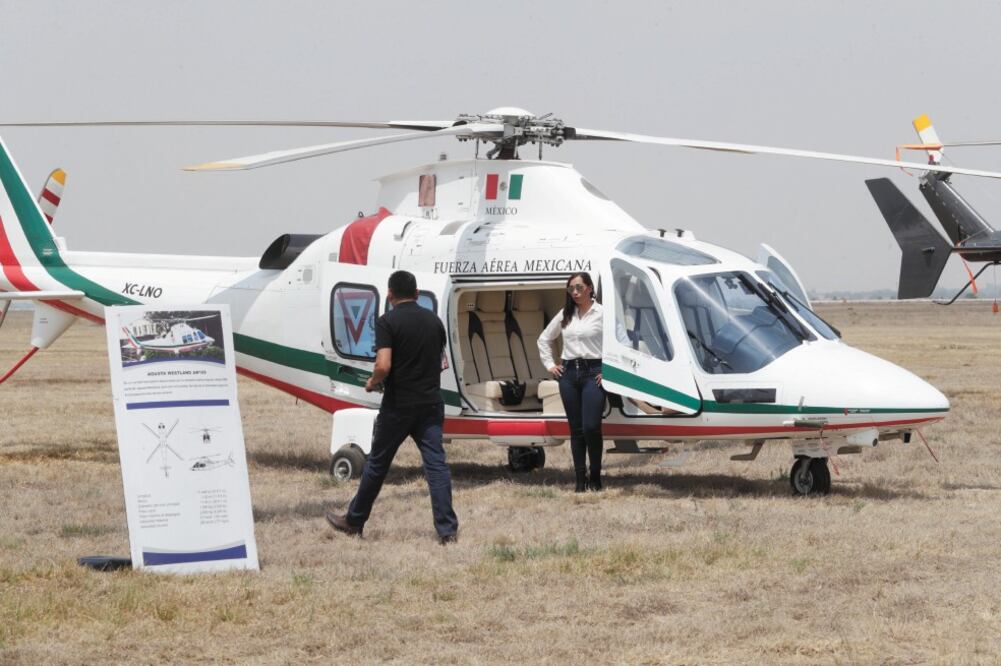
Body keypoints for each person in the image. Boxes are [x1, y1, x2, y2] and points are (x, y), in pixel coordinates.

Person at [326, 270, 459, 544]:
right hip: (431, 404)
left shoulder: (387, 322)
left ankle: (354, 520)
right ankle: (447, 531)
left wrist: (373, 382)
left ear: (389, 294)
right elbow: (440, 362)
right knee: (436, 466)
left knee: (377, 464)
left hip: (399, 406)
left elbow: (383, 365)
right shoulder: (434, 322)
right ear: (416, 293)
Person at [537, 272, 605, 492]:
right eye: (571, 289)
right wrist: (550, 364)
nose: (574, 293)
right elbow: (544, 339)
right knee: (575, 430)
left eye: (578, 288)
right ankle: (579, 479)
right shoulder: (566, 314)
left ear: (590, 288)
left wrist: (610, 371)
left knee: (591, 427)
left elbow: (620, 341)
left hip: (593, 371)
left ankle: (595, 474)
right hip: (568, 373)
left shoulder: (602, 313)